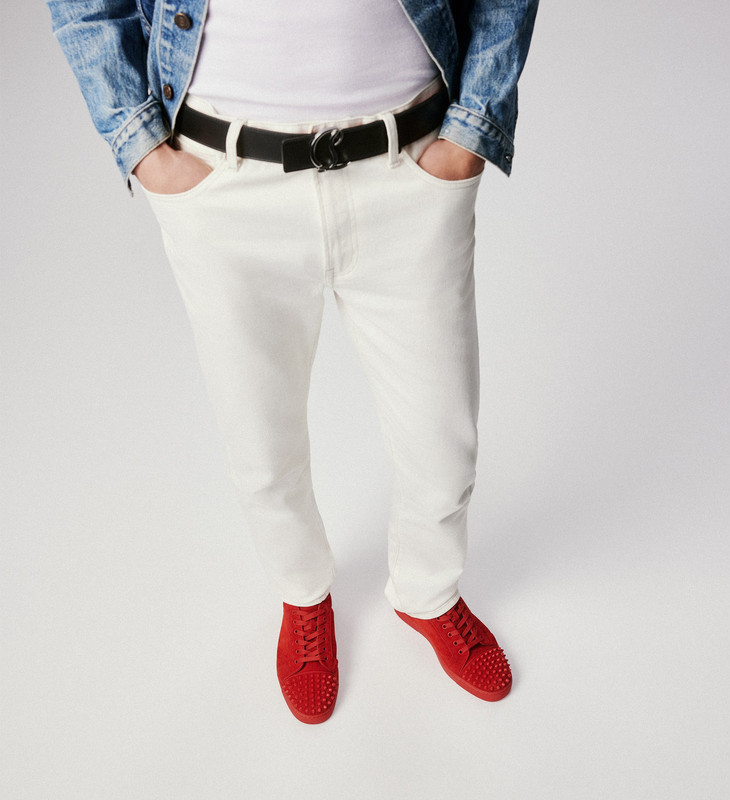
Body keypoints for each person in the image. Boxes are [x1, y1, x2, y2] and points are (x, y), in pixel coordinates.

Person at [47, 0, 539, 724]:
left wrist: (470, 132)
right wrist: (143, 147)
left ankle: (428, 592)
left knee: (443, 440)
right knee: (260, 441)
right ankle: (302, 593)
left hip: (408, 166)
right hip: (224, 181)